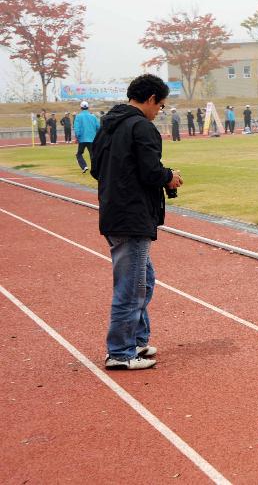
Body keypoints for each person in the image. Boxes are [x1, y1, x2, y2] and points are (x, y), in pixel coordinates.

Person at [90, 74, 183, 370]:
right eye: (161, 105)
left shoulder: (108, 125)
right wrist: (168, 176)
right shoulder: (141, 126)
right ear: (152, 99)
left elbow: (96, 170)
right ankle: (119, 352)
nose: (160, 111)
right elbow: (149, 171)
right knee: (131, 286)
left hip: (115, 211)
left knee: (145, 280)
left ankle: (137, 340)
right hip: (131, 216)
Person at [74, 101, 100, 173]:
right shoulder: (93, 116)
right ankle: (95, 168)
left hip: (82, 138)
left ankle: (84, 166)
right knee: (92, 154)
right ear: (88, 107)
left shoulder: (78, 116)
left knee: (79, 153)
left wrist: (77, 137)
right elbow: (98, 127)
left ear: (81, 107)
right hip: (92, 138)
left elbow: (77, 128)